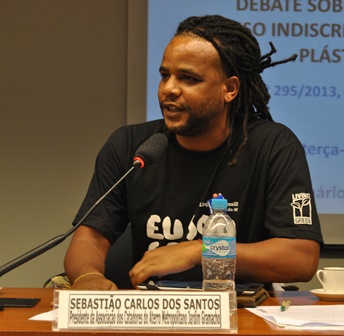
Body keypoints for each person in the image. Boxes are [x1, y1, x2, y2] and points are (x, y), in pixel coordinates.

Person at [64, 14, 324, 290]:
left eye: (188, 79)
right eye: (165, 76)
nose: (169, 89)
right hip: (153, 313)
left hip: (242, 316)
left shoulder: (273, 146)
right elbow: (89, 237)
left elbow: (301, 258)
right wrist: (88, 277)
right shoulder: (131, 146)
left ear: (230, 89)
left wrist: (200, 251)